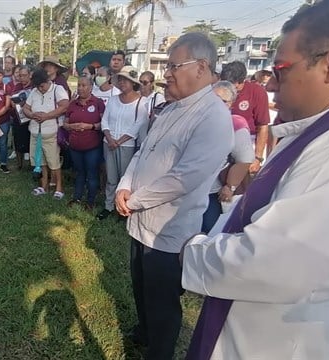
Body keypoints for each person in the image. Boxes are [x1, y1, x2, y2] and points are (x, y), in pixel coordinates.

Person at [181, 1, 329, 359]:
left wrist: (193, 253)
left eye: (281, 69)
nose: (272, 84)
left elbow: (271, 260)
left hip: (286, 341)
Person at [114, 33, 233, 360]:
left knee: (163, 299)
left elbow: (185, 178)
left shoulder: (213, 117)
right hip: (140, 218)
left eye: (173, 66)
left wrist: (133, 199)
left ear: (201, 67)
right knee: (140, 285)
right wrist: (124, 184)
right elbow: (142, 152)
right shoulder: (171, 108)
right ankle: (144, 331)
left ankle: (160, 351)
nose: (166, 74)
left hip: (169, 228)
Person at [97, 65, 148, 220]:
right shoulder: (113, 100)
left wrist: (119, 141)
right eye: (121, 79)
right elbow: (104, 120)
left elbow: (137, 125)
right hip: (109, 143)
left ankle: (123, 208)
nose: (123, 83)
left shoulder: (141, 102)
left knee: (125, 178)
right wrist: (110, 138)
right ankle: (108, 205)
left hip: (126, 145)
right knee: (110, 177)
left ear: (133, 83)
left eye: (127, 80)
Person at [201, 81, 253, 233]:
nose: (217, 104)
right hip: (193, 189)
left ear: (231, 103)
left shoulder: (235, 124)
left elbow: (244, 159)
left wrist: (229, 186)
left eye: (223, 101)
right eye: (214, 99)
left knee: (209, 232)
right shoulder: (200, 120)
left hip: (214, 192)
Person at [23, 69, 69, 199]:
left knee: (54, 162)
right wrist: (32, 114)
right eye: (38, 86)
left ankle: (59, 187)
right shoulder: (34, 91)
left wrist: (47, 116)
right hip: (35, 133)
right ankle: (44, 185)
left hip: (51, 133)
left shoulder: (57, 89)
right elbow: (26, 108)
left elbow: (64, 106)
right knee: (40, 161)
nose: (40, 89)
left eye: (42, 86)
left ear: (48, 81)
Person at [220, 61, 270, 174]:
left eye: (233, 85)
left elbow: (262, 126)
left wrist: (257, 158)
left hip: (246, 145)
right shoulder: (217, 90)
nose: (229, 89)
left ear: (242, 81)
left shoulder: (257, 92)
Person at [63, 76, 104, 210]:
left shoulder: (98, 103)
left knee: (91, 173)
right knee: (80, 172)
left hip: (92, 146)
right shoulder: (72, 104)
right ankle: (77, 198)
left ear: (91, 87)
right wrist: (71, 126)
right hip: (75, 146)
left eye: (84, 85)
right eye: (79, 85)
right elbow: (65, 123)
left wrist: (89, 126)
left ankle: (90, 201)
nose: (80, 88)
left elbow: (103, 124)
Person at [9, 65, 32, 169]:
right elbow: (12, 99)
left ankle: (32, 164)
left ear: (30, 75)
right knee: (18, 141)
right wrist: (13, 103)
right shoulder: (17, 86)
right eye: (20, 76)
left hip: (31, 118)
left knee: (31, 142)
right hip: (18, 118)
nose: (22, 78)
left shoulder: (34, 86)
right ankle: (19, 165)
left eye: (24, 75)